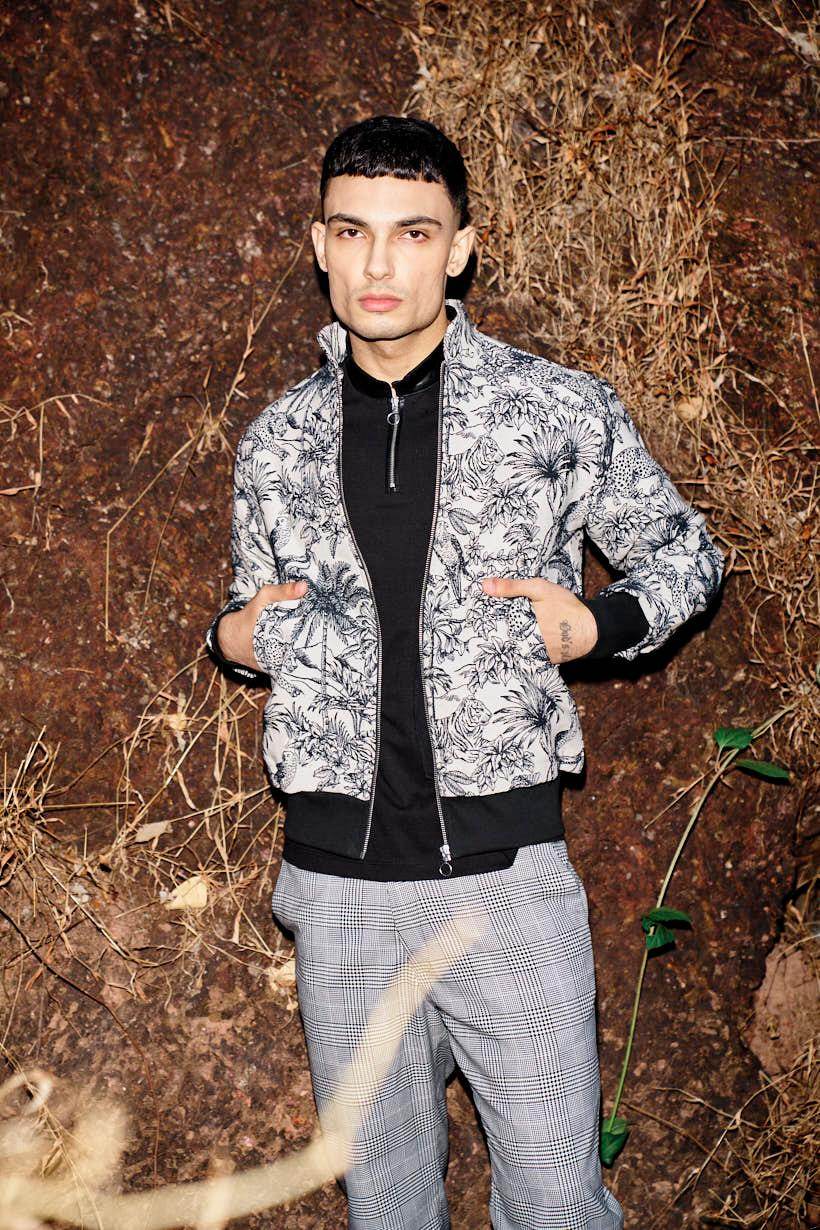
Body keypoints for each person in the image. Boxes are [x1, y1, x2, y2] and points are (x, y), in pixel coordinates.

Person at [205, 114, 725, 1230]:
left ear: (460, 249)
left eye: (413, 232)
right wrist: (230, 641)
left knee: (555, 1205)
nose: (379, 262)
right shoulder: (276, 440)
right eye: (352, 231)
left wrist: (598, 626)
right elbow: (251, 609)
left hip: (504, 882)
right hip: (338, 894)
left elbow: (687, 554)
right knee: (387, 1205)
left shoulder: (555, 407)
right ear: (319, 244)